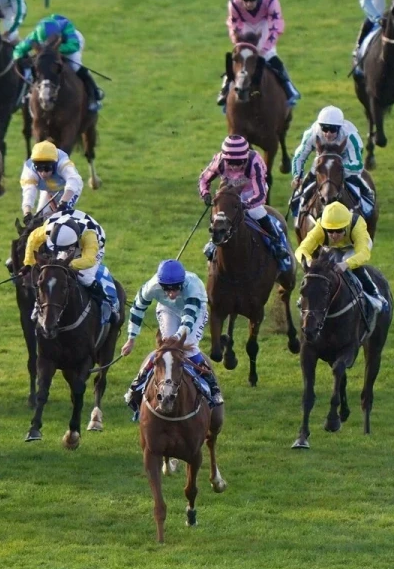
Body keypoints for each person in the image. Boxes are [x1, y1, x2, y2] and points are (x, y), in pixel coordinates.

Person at [121, 259, 223, 413]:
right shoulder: (151, 286)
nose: (171, 293)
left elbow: (188, 320)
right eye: (167, 290)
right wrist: (131, 338)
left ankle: (213, 387)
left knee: (188, 345)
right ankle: (138, 382)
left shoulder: (193, 287)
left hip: (194, 310)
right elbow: (137, 308)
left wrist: (177, 337)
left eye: (175, 289)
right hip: (168, 309)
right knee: (166, 350)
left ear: (182, 283)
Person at [199, 135, 291, 271]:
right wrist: (205, 193)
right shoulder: (219, 161)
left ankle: (277, 243)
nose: (235, 167)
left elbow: (260, 194)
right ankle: (214, 242)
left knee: (256, 212)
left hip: (252, 191)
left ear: (246, 158)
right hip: (229, 192)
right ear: (225, 159)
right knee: (220, 213)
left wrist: (246, 205)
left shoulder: (255, 162)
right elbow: (204, 179)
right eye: (231, 162)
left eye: (239, 162)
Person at [22, 212, 118, 322]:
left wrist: (67, 265)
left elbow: (89, 260)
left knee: (85, 277)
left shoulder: (89, 236)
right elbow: (32, 239)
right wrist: (28, 264)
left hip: (91, 249)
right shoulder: (48, 229)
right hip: (67, 241)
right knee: (50, 275)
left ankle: (107, 304)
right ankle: (38, 305)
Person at [295, 201, 387, 315]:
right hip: (331, 248)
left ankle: (374, 293)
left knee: (351, 264)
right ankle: (306, 297)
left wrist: (346, 264)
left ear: (346, 226)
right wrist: (308, 261)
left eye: (339, 230)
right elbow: (301, 249)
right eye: (330, 231)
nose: (334, 235)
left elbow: (363, 253)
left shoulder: (357, 224)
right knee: (318, 268)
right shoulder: (320, 226)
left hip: (354, 247)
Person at [289, 105, 374, 220]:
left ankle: (367, 198)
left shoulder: (351, 136)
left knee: (358, 181)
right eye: (324, 128)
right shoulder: (312, 133)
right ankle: (298, 208)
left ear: (340, 128)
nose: (328, 133)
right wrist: (297, 176)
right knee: (299, 192)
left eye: (333, 129)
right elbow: (299, 157)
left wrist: (336, 168)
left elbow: (357, 165)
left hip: (344, 163)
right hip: (321, 162)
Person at [220, 0, 299, 107]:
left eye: (252, 0)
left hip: (265, 25)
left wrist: (265, 48)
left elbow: (275, 26)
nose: (248, 4)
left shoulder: (271, 0)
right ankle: (224, 90)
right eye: (245, 0)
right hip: (245, 27)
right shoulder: (234, 3)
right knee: (239, 59)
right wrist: (238, 43)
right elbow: (234, 25)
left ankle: (289, 88)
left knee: (270, 55)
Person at [13, 13, 104, 111]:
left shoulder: (66, 27)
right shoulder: (35, 35)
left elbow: (74, 46)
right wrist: (19, 58)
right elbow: (18, 49)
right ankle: (27, 94)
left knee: (74, 65)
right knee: (36, 67)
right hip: (51, 48)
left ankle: (94, 94)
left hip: (70, 42)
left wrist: (56, 50)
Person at [20, 141, 83, 217]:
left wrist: (63, 203)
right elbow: (29, 192)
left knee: (60, 215)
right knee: (40, 219)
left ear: (54, 165)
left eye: (47, 168)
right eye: (39, 168)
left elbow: (74, 181)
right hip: (49, 189)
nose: (43, 173)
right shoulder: (29, 169)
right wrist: (27, 213)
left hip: (70, 188)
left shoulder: (62, 163)